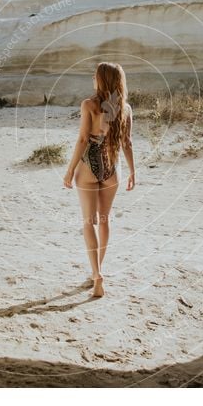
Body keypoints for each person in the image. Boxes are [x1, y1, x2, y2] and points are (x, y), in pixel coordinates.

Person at [63, 62, 135, 297]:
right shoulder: (124, 108)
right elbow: (127, 143)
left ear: (101, 79)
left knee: (88, 222)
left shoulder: (89, 105)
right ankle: (98, 270)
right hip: (112, 169)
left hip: (88, 168)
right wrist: (133, 171)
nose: (92, 79)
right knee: (104, 220)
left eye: (95, 76)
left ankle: (97, 274)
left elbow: (84, 139)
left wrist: (70, 170)